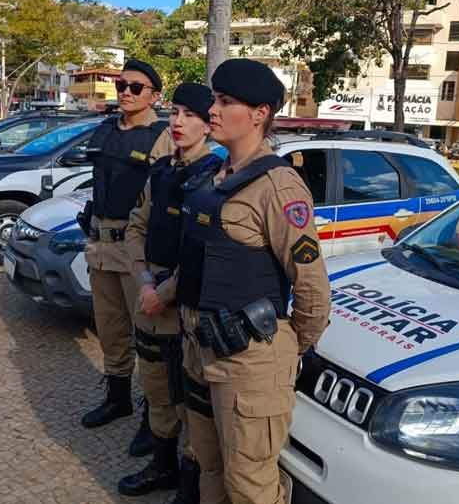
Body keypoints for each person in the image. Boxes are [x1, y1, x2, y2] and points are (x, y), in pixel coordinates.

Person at [177, 59, 332, 504]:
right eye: (214, 100)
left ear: (260, 113)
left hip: (250, 360)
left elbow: (312, 288)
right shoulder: (215, 177)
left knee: (250, 486)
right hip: (200, 348)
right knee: (209, 466)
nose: (212, 111)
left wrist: (283, 351)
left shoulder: (279, 187)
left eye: (225, 102)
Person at [118, 83, 221, 502]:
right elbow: (136, 226)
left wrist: (164, 291)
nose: (178, 122)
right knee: (157, 389)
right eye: (175, 112)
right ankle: (162, 466)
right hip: (150, 296)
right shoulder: (162, 170)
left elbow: (203, 250)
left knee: (191, 400)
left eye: (190, 115)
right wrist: (144, 281)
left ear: (208, 125)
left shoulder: (215, 177)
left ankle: (190, 484)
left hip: (183, 305)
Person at [77, 59, 175, 440]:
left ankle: (156, 417)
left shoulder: (162, 136)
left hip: (137, 250)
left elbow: (166, 198)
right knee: (110, 329)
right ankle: (118, 398)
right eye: (121, 86)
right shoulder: (105, 129)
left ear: (154, 95)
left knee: (149, 336)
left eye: (136, 87)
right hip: (101, 245)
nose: (126, 93)